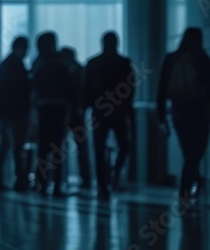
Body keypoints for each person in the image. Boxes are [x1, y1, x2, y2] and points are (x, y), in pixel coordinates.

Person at [156, 27, 210, 202]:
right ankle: (187, 187)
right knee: (196, 151)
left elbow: (161, 89)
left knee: (189, 151)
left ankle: (192, 184)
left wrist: (161, 117)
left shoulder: (171, 59)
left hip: (179, 111)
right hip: (200, 111)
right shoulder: (202, 58)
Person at [84, 31, 134, 199]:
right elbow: (130, 89)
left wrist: (87, 107)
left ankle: (102, 185)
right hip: (118, 111)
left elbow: (86, 89)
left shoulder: (92, 63)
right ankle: (114, 172)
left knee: (98, 149)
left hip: (99, 112)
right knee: (124, 145)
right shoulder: (124, 63)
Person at [30, 32, 75, 195]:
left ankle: (41, 183)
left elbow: (33, 88)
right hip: (59, 109)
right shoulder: (61, 62)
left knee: (43, 149)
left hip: (43, 109)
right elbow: (70, 85)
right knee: (57, 149)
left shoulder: (38, 62)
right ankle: (56, 185)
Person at [0, 36, 32, 192]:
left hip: (6, 113)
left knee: (6, 147)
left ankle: (0, 179)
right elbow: (20, 90)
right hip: (14, 113)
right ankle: (19, 180)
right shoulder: (16, 65)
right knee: (14, 147)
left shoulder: (7, 64)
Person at [59, 46, 91, 191]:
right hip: (77, 114)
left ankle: (62, 178)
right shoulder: (80, 70)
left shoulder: (65, 72)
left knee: (61, 145)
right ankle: (85, 178)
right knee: (81, 147)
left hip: (68, 113)